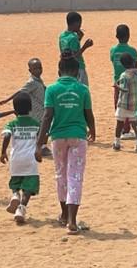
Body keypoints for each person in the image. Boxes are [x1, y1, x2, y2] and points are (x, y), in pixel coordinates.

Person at [36, 57, 96, 235]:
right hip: (78, 136)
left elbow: (47, 116)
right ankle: (72, 220)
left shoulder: (52, 89)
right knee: (75, 176)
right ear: (78, 72)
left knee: (60, 175)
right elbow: (88, 113)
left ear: (58, 71)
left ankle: (63, 214)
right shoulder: (83, 89)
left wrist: (40, 143)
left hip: (58, 137)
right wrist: (92, 129)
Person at [0, 92, 41, 223]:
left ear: (15, 110)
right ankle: (21, 208)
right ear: (30, 108)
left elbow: (6, 136)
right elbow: (42, 137)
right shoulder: (35, 123)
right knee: (30, 185)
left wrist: (3, 152)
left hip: (15, 158)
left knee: (16, 180)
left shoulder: (12, 124)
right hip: (30, 159)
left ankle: (15, 194)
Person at [110, 24, 137, 140]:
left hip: (117, 81)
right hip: (130, 81)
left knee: (118, 103)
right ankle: (127, 130)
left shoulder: (113, 50)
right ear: (128, 36)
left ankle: (122, 127)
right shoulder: (132, 50)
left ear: (116, 36)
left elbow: (113, 61)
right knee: (130, 104)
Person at [113, 53, 137, 152]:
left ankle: (117, 143)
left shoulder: (124, 75)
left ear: (123, 65)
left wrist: (117, 86)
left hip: (124, 104)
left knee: (119, 123)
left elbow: (125, 89)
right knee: (135, 124)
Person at [0, 58, 46, 123]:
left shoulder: (38, 80)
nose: (38, 70)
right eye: (35, 69)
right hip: (36, 112)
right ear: (30, 71)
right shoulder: (31, 82)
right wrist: (7, 100)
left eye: (40, 68)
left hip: (41, 108)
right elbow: (20, 92)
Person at [59, 12, 93, 86]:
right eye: (80, 23)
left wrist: (79, 38)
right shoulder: (73, 37)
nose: (80, 26)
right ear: (76, 23)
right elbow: (74, 55)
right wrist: (85, 46)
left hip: (66, 68)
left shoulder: (62, 36)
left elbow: (69, 49)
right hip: (78, 68)